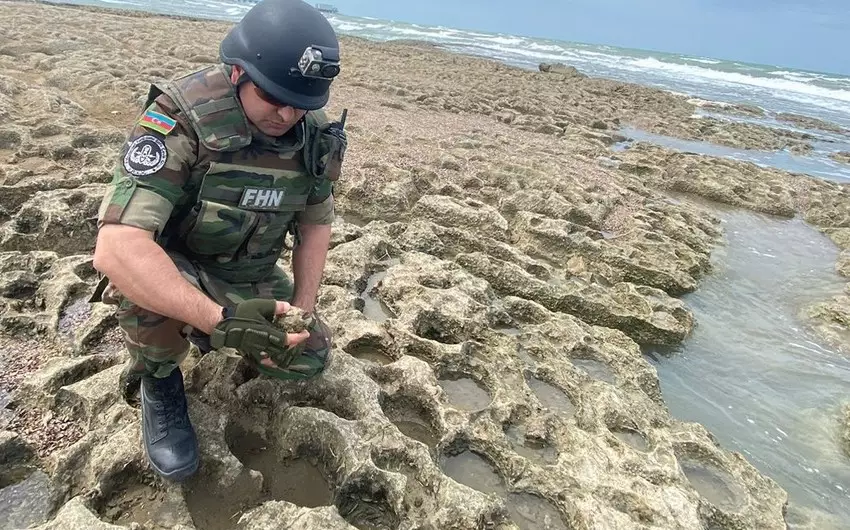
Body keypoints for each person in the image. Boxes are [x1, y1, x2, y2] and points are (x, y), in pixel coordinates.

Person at [89, 0, 348, 483]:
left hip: (246, 270)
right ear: (237, 73)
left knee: (306, 358)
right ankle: (159, 381)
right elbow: (117, 246)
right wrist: (221, 321)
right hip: (179, 262)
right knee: (139, 287)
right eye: (274, 97)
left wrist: (302, 310)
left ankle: (210, 330)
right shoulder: (180, 118)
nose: (288, 113)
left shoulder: (311, 132)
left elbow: (316, 221)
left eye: (301, 103)